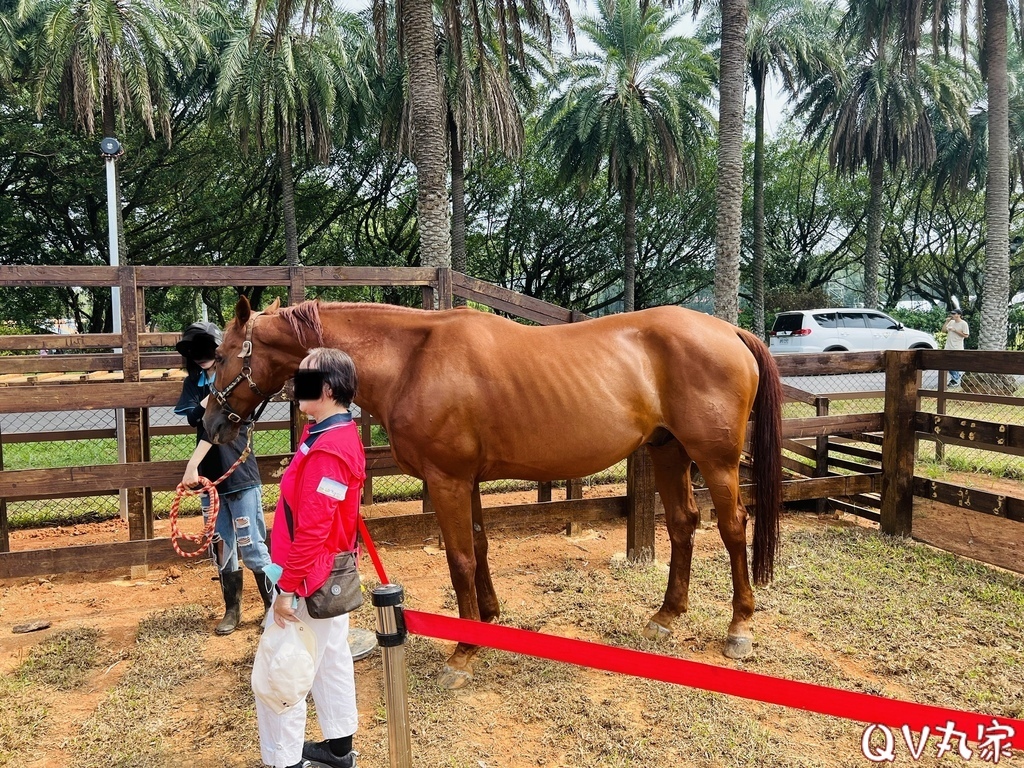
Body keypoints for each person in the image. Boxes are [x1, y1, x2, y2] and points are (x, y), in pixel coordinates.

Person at [257, 347, 365, 768]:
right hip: (323, 574)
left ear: (325, 388)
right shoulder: (322, 433)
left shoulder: (329, 448)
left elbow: (314, 530)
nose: (293, 387)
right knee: (330, 660)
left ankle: (284, 762)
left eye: (302, 380)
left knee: (281, 672)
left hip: (309, 579)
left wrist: (286, 588)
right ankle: (339, 749)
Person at [175, 322, 273, 635]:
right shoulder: (195, 383)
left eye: (205, 351)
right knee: (222, 546)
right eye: (194, 352)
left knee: (253, 545)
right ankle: (233, 609)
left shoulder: (233, 380)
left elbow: (210, 429)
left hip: (240, 473)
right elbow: (193, 417)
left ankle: (276, 604)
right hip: (211, 480)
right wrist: (211, 398)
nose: (200, 358)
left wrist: (191, 465)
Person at [941, 310, 970, 387]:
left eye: (954, 314)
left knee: (953, 363)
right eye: (952, 313)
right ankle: (956, 377)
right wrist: (946, 322)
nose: (952, 315)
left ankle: (955, 379)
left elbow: (966, 335)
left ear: (959, 315)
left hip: (957, 347)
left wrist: (955, 330)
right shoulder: (951, 322)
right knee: (947, 363)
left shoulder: (963, 324)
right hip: (948, 346)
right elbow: (943, 331)